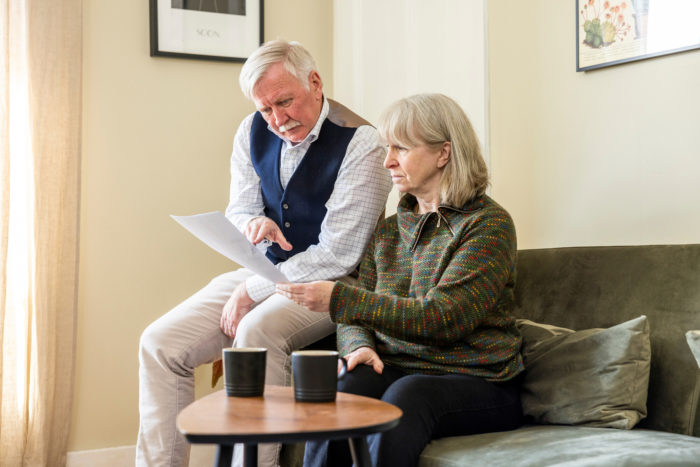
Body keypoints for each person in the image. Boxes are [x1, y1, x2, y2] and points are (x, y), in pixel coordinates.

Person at [136, 40, 392, 467]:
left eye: (285, 102)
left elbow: (339, 253)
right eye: (266, 108)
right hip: (265, 269)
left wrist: (252, 290)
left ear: (314, 82)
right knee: (160, 343)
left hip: (334, 285)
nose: (277, 119)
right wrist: (252, 227)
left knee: (255, 334)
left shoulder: (362, 143)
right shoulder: (250, 129)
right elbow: (240, 207)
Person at [277, 93, 525, 467]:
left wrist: (339, 298)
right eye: (387, 147)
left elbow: (443, 317)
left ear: (443, 153)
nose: (388, 160)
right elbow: (358, 311)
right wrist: (358, 346)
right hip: (400, 367)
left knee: (408, 395)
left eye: (402, 149)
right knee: (343, 392)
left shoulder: (488, 226)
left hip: (481, 380)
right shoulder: (391, 231)